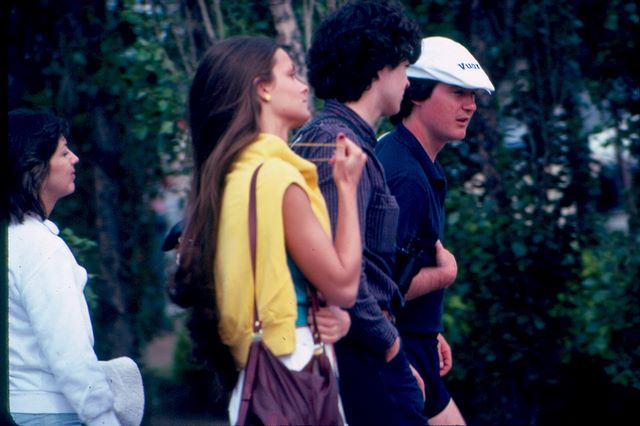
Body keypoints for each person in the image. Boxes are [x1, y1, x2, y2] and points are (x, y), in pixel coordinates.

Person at [172, 35, 367, 424]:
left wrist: (333, 318)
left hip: (256, 376)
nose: (304, 86)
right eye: (291, 75)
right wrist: (347, 188)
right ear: (262, 88)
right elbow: (344, 286)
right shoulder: (277, 177)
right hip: (293, 367)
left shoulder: (232, 174)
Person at [291, 1, 427, 424]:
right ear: (380, 67)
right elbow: (344, 271)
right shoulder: (339, 146)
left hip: (362, 346)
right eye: (403, 67)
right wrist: (390, 345)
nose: (408, 80)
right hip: (361, 354)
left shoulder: (336, 138)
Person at [376, 36, 496, 425]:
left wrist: (429, 329)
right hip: (397, 355)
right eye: (458, 92)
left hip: (414, 345)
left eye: (473, 95)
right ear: (417, 93)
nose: (471, 105)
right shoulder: (407, 177)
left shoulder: (400, 153)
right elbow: (374, 288)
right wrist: (445, 276)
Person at [8, 109, 120, 425]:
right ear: (35, 166)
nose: (75, 159)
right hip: (49, 411)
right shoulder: (41, 248)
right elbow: (69, 352)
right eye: (64, 152)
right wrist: (102, 416)